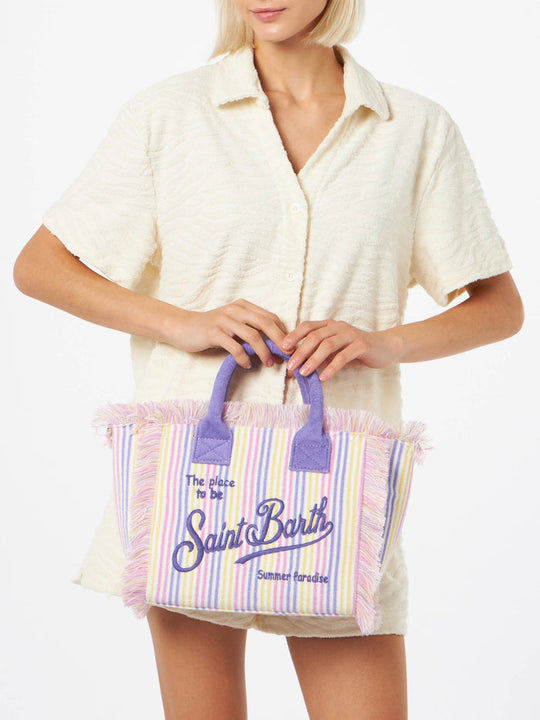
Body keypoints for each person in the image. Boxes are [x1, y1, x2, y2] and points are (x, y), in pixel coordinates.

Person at [13, 1, 524, 718]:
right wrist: (182, 324)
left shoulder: (414, 128)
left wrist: (385, 342)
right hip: (196, 484)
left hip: (338, 496)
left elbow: (500, 307)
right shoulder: (170, 115)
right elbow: (40, 266)